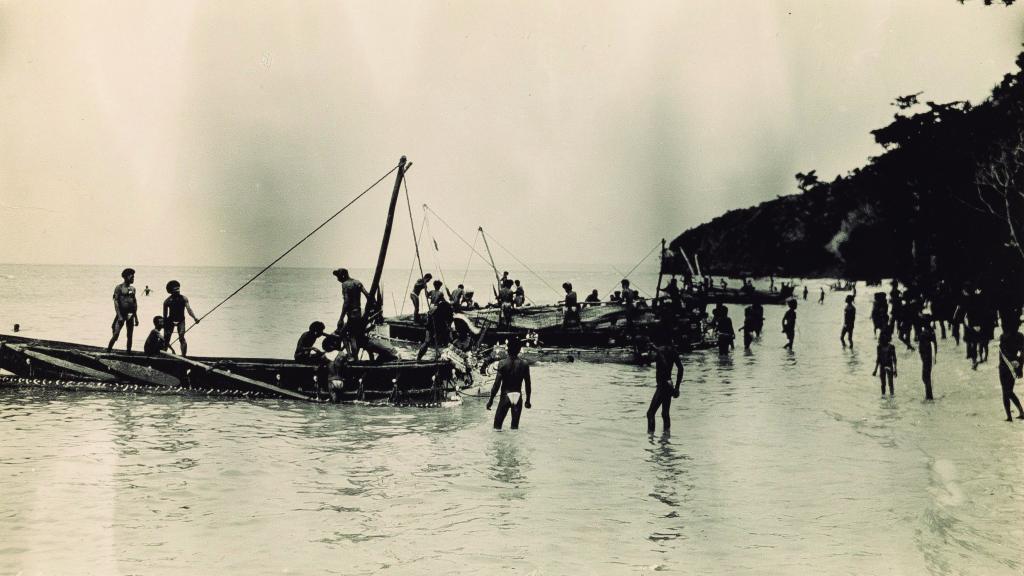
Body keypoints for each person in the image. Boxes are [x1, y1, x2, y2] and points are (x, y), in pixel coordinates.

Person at [486, 338, 532, 430]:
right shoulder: (524, 364)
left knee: (497, 428)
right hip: (518, 397)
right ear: (519, 350)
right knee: (514, 429)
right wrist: (528, 400)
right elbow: (528, 384)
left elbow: (496, 384)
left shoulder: (502, 363)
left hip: (505, 396)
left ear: (507, 348)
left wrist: (490, 400)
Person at [646, 331, 683, 434]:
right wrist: (677, 387)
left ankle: (651, 438)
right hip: (669, 383)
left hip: (662, 384)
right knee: (665, 414)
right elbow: (680, 368)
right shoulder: (673, 351)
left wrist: (656, 351)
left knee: (650, 413)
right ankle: (666, 438)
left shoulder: (661, 350)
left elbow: (658, 363)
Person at [333, 269, 371, 351]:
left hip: (352, 315)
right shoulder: (357, 282)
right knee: (354, 335)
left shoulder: (345, 285)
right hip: (358, 313)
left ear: (343, 276)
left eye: (338, 277)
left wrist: (341, 318)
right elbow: (368, 296)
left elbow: (346, 302)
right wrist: (369, 309)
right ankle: (354, 356)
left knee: (346, 334)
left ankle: (351, 356)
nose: (338, 279)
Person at [997, 317, 1024, 422]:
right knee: (1009, 391)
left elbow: (1004, 353)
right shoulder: (1021, 336)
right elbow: (1022, 353)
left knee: (1006, 391)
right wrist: (1020, 367)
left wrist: (1012, 361)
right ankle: (1021, 412)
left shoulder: (1003, 337)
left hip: (1004, 367)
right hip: (1015, 367)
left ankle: (1009, 416)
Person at [163, 280, 199, 356]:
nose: (178, 291)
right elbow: (165, 316)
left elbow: (189, 310)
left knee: (181, 337)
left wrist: (195, 318)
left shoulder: (184, 298)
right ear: (171, 291)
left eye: (178, 289)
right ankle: (163, 354)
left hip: (181, 320)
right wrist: (165, 326)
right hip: (170, 320)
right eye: (176, 289)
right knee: (167, 338)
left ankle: (183, 356)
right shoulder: (167, 301)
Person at [107, 267, 139, 353]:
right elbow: (116, 302)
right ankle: (108, 350)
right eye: (131, 277)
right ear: (126, 277)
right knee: (116, 334)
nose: (133, 278)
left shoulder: (133, 289)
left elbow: (134, 303)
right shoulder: (119, 287)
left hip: (130, 314)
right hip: (121, 314)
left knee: (130, 335)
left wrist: (136, 317)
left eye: (133, 277)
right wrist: (120, 316)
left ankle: (128, 352)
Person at [873, 330, 897, 397]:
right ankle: (885, 396)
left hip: (888, 366)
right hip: (883, 366)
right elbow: (878, 359)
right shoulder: (879, 347)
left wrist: (895, 369)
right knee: (884, 384)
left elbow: (894, 358)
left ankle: (890, 397)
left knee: (890, 383)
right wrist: (875, 370)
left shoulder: (891, 347)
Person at [918, 315, 937, 400]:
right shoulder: (932, 332)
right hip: (930, 356)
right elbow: (935, 345)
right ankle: (929, 395)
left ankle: (929, 396)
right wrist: (934, 357)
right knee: (927, 376)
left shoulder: (923, 333)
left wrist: (922, 357)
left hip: (926, 356)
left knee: (925, 377)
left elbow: (921, 348)